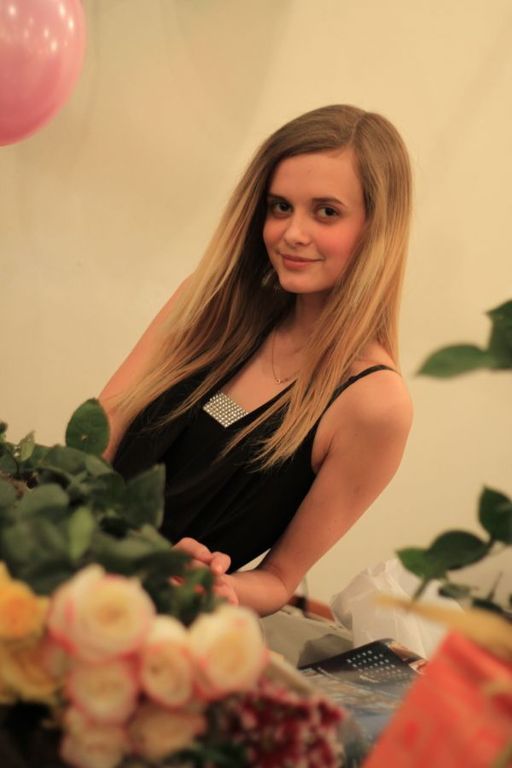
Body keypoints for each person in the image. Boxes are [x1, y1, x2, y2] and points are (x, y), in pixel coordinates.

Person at [100, 104, 413, 617]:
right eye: (280, 207)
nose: (292, 233)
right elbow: (99, 434)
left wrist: (214, 585)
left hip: (153, 624)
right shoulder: (208, 300)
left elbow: (278, 578)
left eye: (326, 212)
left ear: (377, 228)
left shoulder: (374, 404)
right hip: (63, 560)